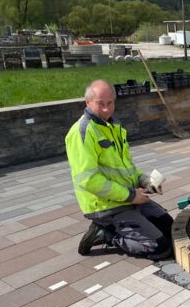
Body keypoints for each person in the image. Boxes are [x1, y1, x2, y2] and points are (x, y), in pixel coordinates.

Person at [65, 79, 173, 259]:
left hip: (127, 197)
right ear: (88, 103)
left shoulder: (114, 126)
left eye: (110, 103)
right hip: (107, 206)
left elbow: (127, 167)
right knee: (160, 248)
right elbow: (88, 180)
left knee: (171, 228)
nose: (107, 109)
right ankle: (106, 234)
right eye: (101, 104)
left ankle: (129, 225)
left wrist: (145, 181)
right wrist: (131, 195)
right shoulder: (82, 132)